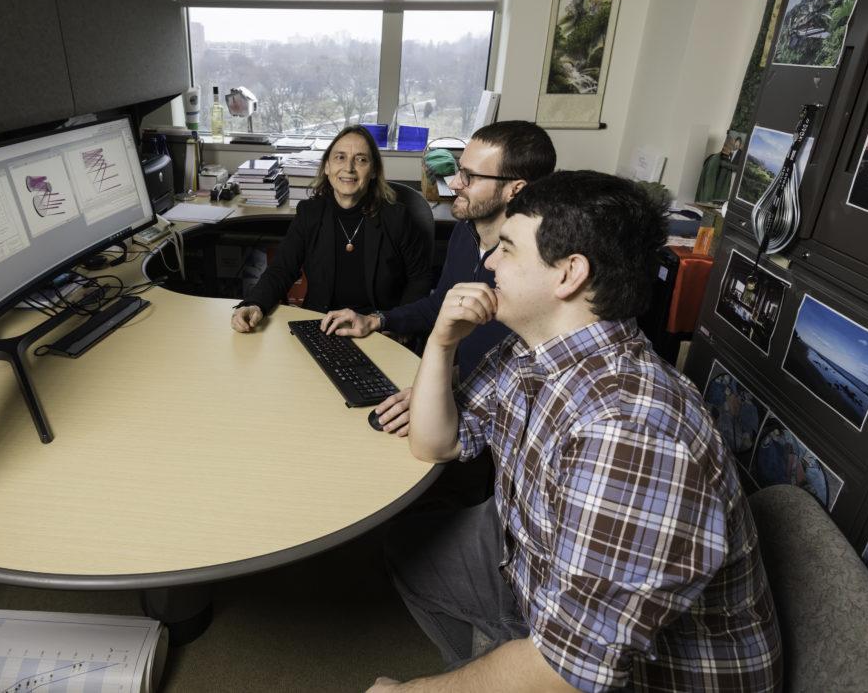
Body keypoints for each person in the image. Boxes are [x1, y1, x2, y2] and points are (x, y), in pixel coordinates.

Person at [375, 171, 781, 692]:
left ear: (568, 274)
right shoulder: (531, 349)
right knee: (408, 547)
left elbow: (568, 672)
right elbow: (438, 442)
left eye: (506, 248)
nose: (488, 262)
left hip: (645, 680)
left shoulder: (628, 433)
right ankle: (501, 656)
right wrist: (441, 342)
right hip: (535, 573)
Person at [318, 121, 556, 436]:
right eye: (459, 170)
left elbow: (522, 367)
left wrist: (443, 394)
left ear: (517, 189)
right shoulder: (466, 230)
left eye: (469, 176)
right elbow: (440, 303)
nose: (454, 182)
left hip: (496, 420)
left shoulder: (535, 267)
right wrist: (376, 320)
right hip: (460, 390)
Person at [230, 126, 431, 331]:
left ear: (373, 171)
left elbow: (420, 279)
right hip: (320, 326)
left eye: (361, 159)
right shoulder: (310, 214)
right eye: (340, 157)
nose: (349, 168)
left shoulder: (396, 218)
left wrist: (394, 324)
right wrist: (255, 303)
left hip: (375, 329)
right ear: (327, 167)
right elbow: (282, 269)